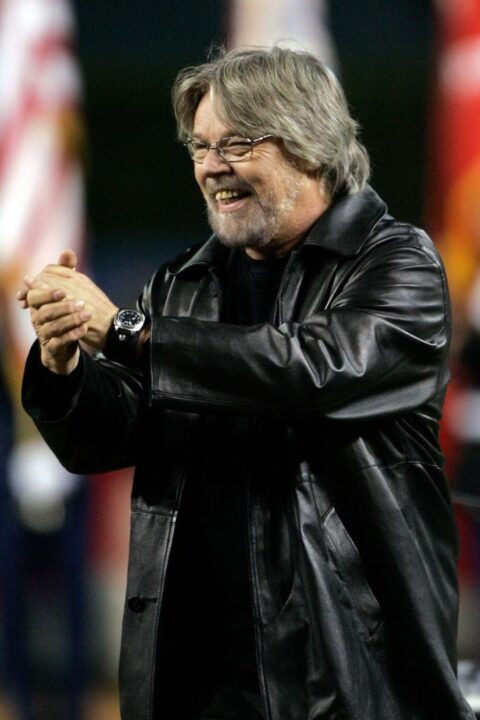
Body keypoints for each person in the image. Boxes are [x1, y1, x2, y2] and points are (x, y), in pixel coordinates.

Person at [18, 46, 474, 720]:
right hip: (195, 677)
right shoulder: (183, 283)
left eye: (236, 143)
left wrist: (129, 334)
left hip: (350, 673)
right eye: (199, 146)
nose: (210, 166)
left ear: (308, 145)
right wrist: (63, 367)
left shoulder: (397, 263)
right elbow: (109, 437)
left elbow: (309, 370)